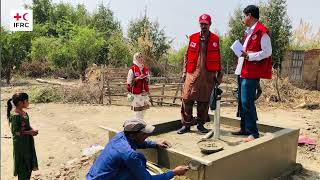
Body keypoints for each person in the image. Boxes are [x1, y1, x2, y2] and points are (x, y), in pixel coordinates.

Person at [86, 118, 189, 180]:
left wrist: (154, 144)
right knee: (139, 168)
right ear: (133, 135)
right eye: (144, 134)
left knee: (139, 159)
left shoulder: (121, 136)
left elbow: (137, 143)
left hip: (93, 176)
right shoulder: (130, 155)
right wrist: (174, 172)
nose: (147, 136)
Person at [232, 5, 272, 142]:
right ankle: (244, 128)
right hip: (242, 70)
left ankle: (253, 133)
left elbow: (267, 52)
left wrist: (250, 56)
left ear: (249, 16)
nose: (243, 19)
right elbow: (246, 52)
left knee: (247, 101)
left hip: (251, 72)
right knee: (242, 102)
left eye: (244, 16)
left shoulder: (262, 32)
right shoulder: (249, 32)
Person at [178, 13, 223, 134]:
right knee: (187, 99)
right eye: (201, 24)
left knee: (203, 101)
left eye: (206, 24)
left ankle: (200, 125)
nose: (203, 26)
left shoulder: (215, 39)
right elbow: (186, 56)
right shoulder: (192, 37)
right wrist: (184, 72)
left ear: (210, 24)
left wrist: (219, 75)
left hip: (207, 75)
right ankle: (186, 125)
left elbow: (219, 58)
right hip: (191, 74)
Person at [7, 93, 39, 180]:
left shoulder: (24, 113)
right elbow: (16, 132)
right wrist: (30, 132)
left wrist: (31, 130)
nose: (28, 102)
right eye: (27, 101)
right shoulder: (15, 116)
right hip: (20, 144)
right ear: (21, 103)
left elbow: (27, 126)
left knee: (28, 162)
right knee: (22, 165)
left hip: (27, 142)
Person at [127, 52, 151, 120]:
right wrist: (138, 78)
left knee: (143, 111)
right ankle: (136, 124)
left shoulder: (145, 69)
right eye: (139, 57)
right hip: (136, 94)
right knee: (137, 111)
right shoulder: (132, 69)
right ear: (135, 59)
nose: (141, 58)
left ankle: (141, 123)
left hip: (144, 93)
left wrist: (146, 78)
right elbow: (129, 83)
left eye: (141, 57)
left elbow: (148, 81)